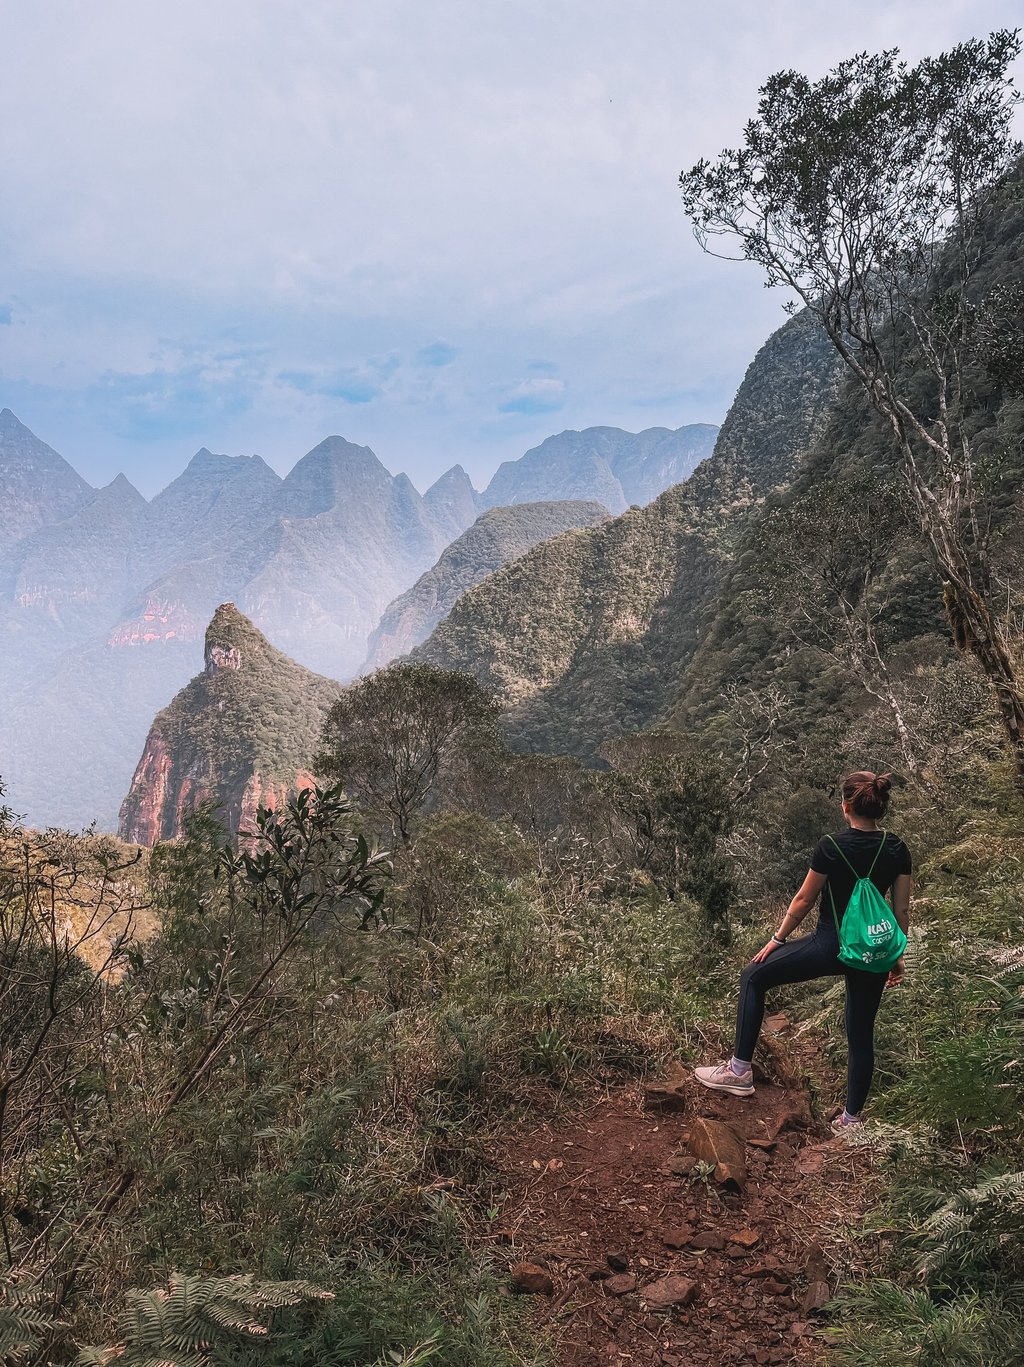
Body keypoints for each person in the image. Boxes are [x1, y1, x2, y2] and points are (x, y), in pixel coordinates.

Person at [694, 771, 912, 1131]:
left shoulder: (831, 845)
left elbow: (804, 900)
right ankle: (851, 1120)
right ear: (881, 808)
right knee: (861, 1034)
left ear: (845, 807)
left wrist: (777, 940)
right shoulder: (897, 847)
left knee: (753, 975)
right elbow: (901, 911)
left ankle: (739, 1071)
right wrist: (895, 956)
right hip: (872, 953)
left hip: (828, 946)